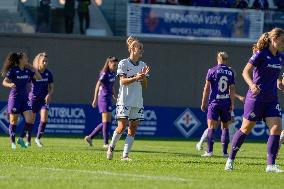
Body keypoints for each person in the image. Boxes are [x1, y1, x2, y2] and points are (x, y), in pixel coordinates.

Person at [224, 28, 284, 173]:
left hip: (271, 100)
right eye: (282, 41)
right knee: (245, 129)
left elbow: (276, 79)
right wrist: (252, 85)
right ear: (274, 40)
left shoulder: (281, 57)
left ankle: (270, 165)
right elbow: (245, 71)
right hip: (255, 99)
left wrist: (281, 85)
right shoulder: (260, 54)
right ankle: (230, 159)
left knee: (276, 128)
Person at [106, 36, 150, 161]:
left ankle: (125, 155)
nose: (141, 50)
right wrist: (136, 77)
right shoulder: (123, 63)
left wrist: (143, 77)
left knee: (133, 128)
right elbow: (122, 82)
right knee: (122, 126)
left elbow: (145, 86)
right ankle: (111, 147)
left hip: (137, 101)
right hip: (124, 100)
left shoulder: (143, 65)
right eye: (139, 48)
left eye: (142, 48)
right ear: (132, 49)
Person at [1, 52, 42, 149]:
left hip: (25, 98)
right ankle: (13, 143)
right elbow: (4, 82)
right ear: (20, 60)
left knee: (30, 119)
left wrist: (33, 68)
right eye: (25, 57)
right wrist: (10, 84)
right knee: (13, 121)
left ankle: (20, 139)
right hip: (15, 98)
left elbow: (39, 78)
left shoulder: (28, 71)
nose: (27, 59)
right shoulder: (14, 70)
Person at [200, 52, 235, 157]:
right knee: (225, 127)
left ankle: (209, 151)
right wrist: (232, 103)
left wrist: (203, 102)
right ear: (226, 59)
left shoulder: (212, 70)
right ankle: (224, 153)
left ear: (218, 59)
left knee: (211, 127)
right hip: (226, 102)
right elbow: (232, 88)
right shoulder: (230, 72)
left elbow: (206, 88)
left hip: (214, 102)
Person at [84, 56, 118, 148]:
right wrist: (95, 99)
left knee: (107, 121)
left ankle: (90, 137)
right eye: (114, 65)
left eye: (116, 65)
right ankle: (106, 143)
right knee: (106, 121)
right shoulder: (104, 73)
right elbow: (98, 84)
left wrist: (115, 96)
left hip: (109, 98)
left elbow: (112, 86)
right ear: (109, 64)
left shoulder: (113, 73)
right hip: (103, 98)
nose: (115, 66)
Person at [28, 52, 54, 147]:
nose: (45, 63)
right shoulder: (34, 72)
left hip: (44, 99)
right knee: (31, 120)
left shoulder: (48, 73)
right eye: (43, 61)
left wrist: (49, 95)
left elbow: (52, 87)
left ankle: (38, 139)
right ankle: (28, 139)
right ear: (39, 62)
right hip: (34, 98)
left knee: (44, 119)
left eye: (46, 61)